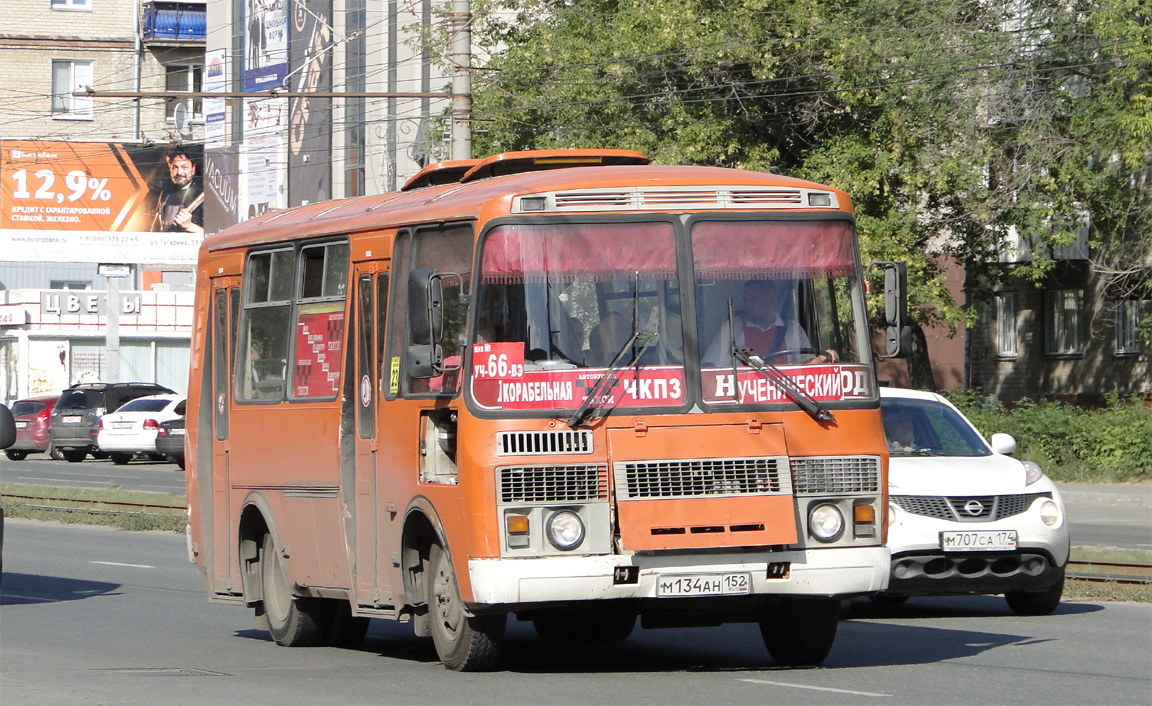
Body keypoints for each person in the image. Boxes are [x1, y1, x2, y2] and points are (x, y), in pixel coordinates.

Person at [702, 279, 835, 366]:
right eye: (746, 299)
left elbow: (806, 368)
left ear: (771, 299)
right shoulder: (732, 328)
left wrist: (823, 358)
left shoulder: (792, 329)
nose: (747, 304)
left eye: (753, 299)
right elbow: (708, 365)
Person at [156, 146, 204, 235]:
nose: (179, 172)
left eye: (184, 167)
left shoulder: (202, 195)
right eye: (175, 167)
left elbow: (214, 235)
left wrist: (190, 226)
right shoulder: (165, 194)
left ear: (193, 170)